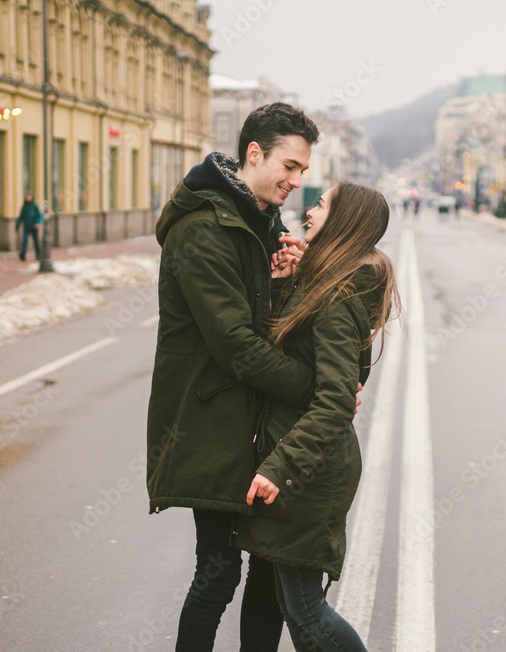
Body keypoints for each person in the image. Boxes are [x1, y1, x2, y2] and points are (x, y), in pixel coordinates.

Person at [146, 102, 328, 652]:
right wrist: (315, 390)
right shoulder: (205, 229)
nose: (297, 182)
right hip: (209, 424)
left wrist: (279, 282)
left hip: (246, 422)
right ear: (254, 154)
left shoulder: (256, 221)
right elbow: (236, 346)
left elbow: (257, 322)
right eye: (290, 167)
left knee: (269, 569)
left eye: (302, 171)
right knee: (219, 572)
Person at [235, 182, 400, 652]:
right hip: (301, 462)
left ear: (343, 220)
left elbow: (335, 398)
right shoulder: (325, 284)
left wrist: (277, 469)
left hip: (309, 472)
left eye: (322, 204)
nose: (310, 209)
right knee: (294, 607)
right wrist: (284, 282)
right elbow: (302, 352)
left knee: (306, 609)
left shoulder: (336, 295)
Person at [15, 193, 42, 261]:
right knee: (25, 240)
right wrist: (17, 226)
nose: (28, 198)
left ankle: (38, 254)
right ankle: (23, 254)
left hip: (34, 226)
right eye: (27, 197)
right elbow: (21, 217)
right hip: (26, 226)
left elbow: (39, 216)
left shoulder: (34, 206)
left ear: (32, 197)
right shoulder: (25, 206)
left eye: (29, 197)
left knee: (36, 241)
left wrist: (37, 223)